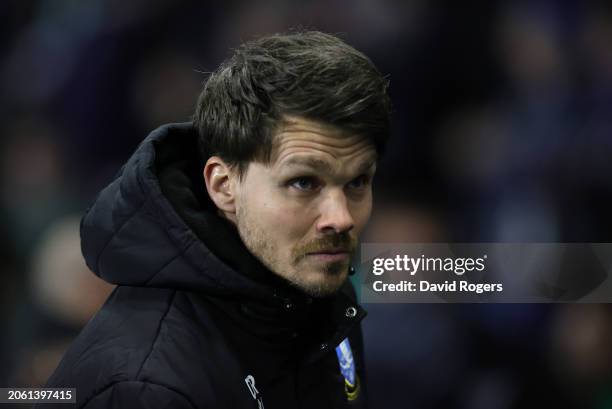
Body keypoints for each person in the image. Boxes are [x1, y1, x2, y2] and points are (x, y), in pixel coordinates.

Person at [40, 31, 391, 409]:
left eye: (357, 182)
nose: (341, 219)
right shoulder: (147, 385)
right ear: (223, 185)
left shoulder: (323, 294)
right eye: (303, 182)